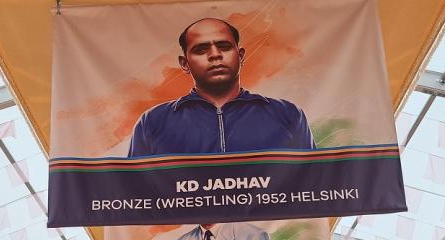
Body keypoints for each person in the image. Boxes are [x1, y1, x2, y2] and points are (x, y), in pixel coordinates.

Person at [128, 18, 315, 158]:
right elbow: (136, 198)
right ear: (184, 64)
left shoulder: (287, 115)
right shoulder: (153, 122)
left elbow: (312, 186)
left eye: (224, 46)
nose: (215, 55)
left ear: (240, 56)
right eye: (201, 50)